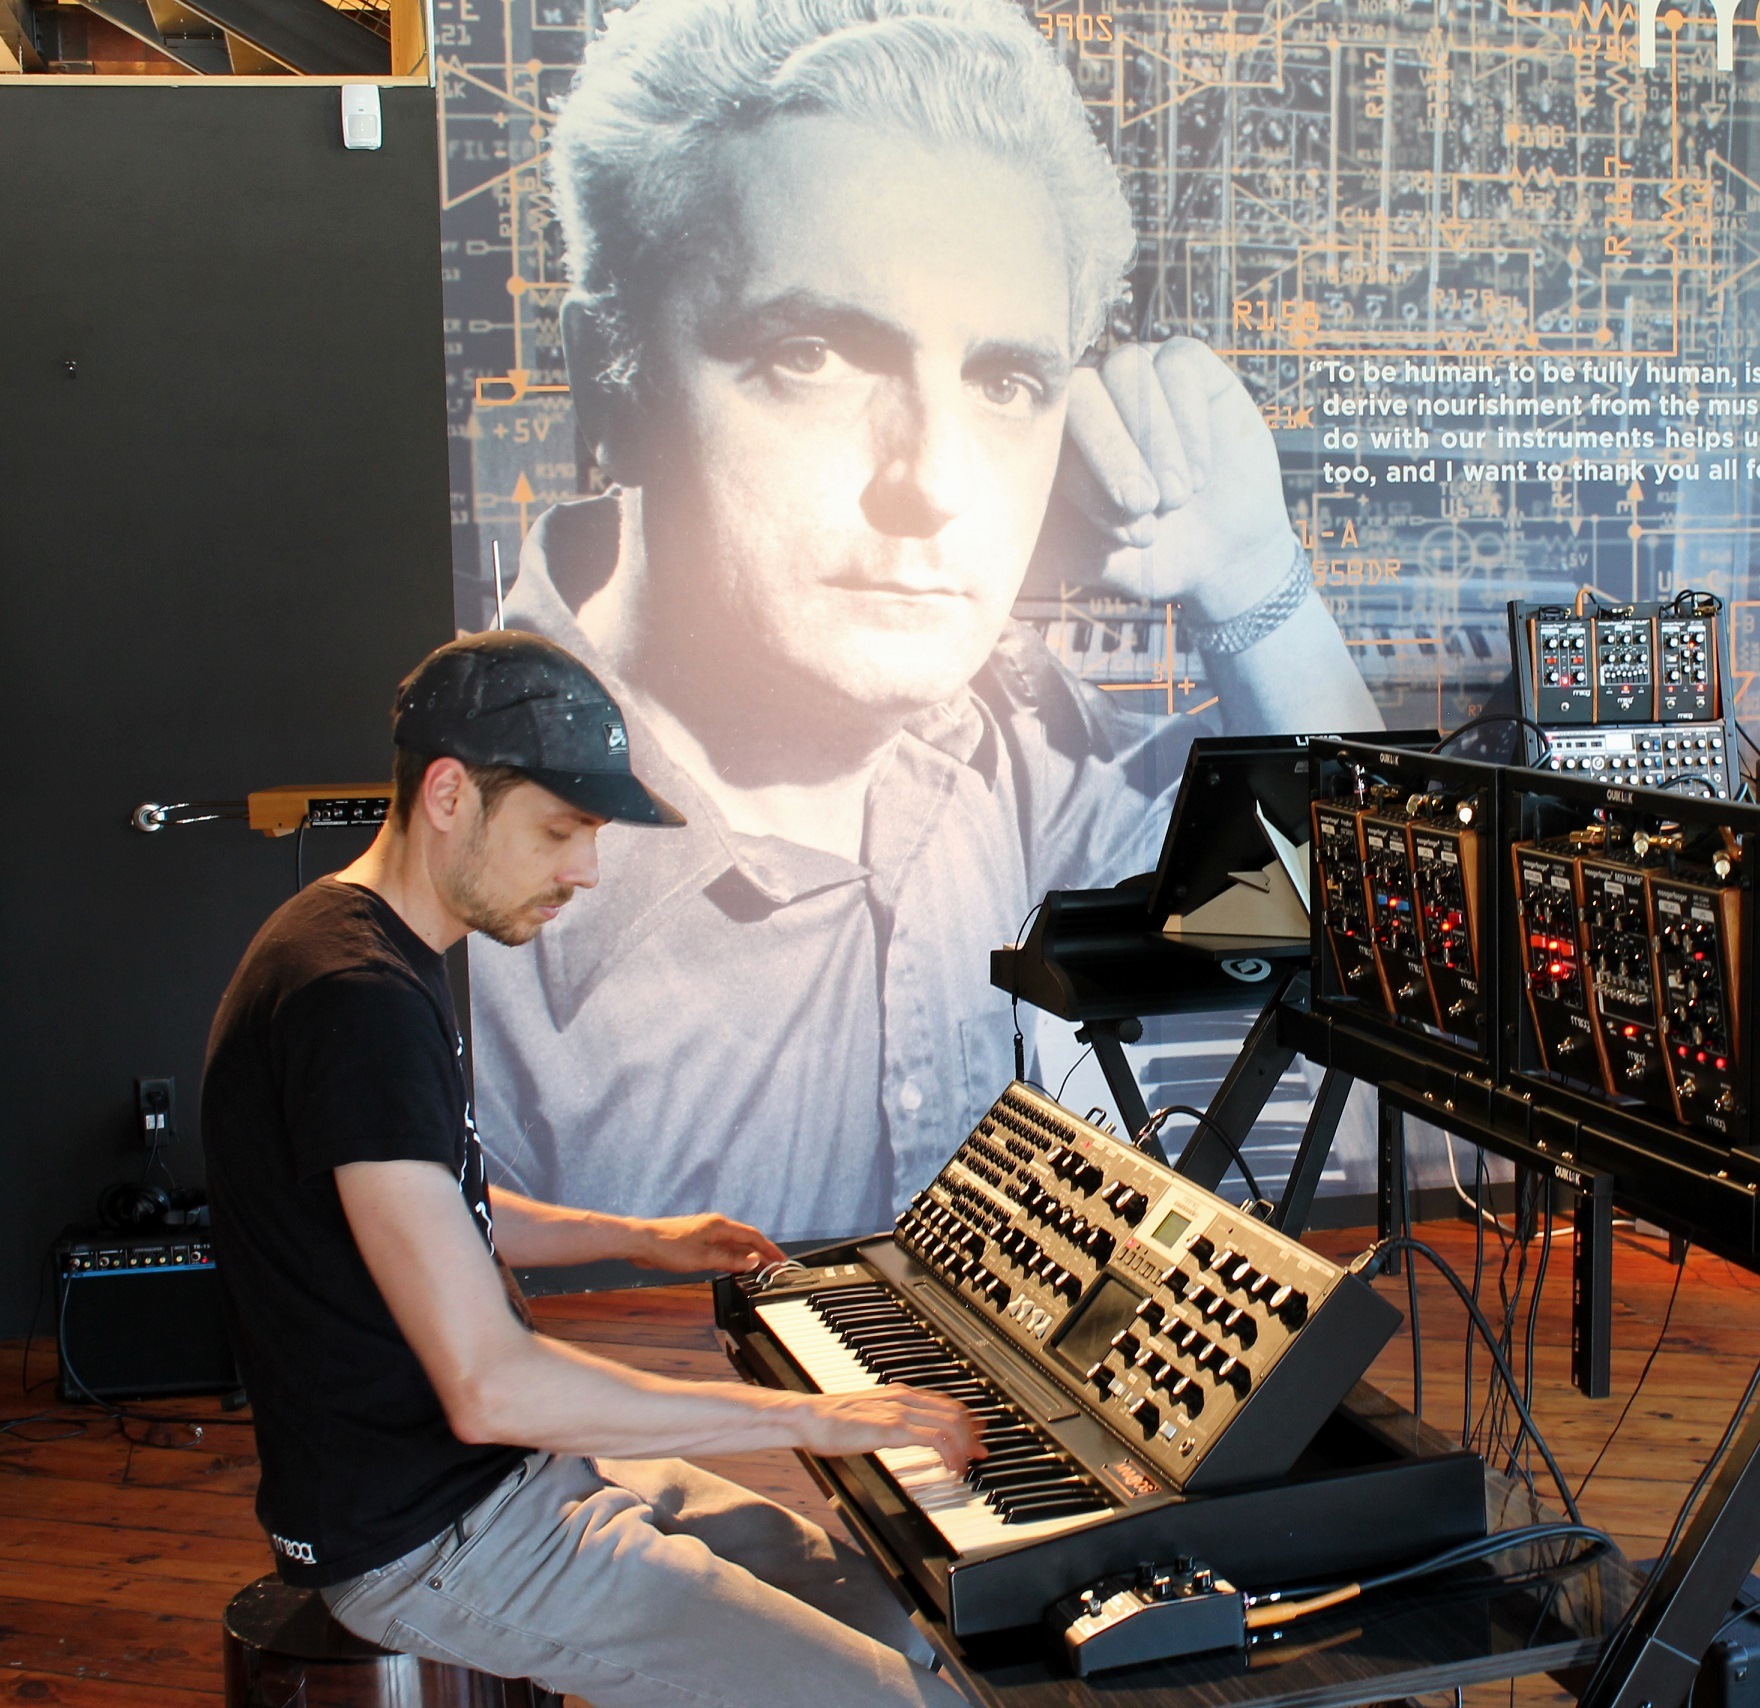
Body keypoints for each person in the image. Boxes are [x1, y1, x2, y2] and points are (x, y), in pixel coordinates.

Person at [470, 0, 1382, 1238]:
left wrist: (1250, 575)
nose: (935, 484)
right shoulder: (461, 904)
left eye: (1006, 380)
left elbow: (1355, 911)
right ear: (611, 381)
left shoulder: (1005, 744)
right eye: (807, 354)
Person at [201, 633, 977, 1707]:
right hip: (430, 1538)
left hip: (510, 1477)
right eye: (560, 831)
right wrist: (816, 1419)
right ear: (448, 795)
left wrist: (639, 1239)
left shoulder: (354, 941)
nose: (586, 870)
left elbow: (435, 1206)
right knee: (899, 1699)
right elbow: (492, 1387)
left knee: (894, 1612)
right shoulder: (352, 999)